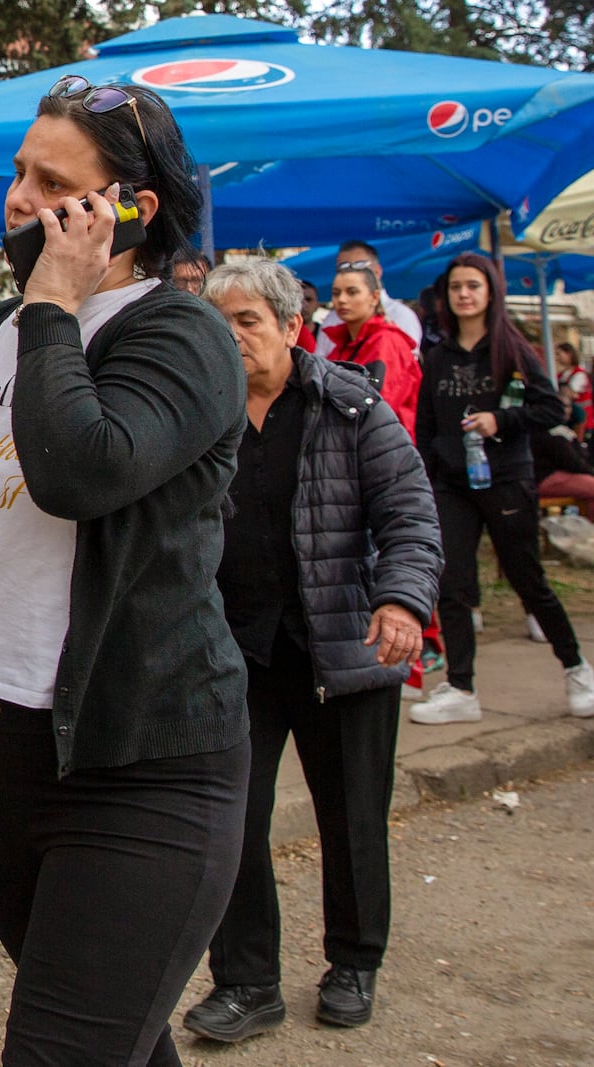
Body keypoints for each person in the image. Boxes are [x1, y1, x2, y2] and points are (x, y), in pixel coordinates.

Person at [0, 77, 250, 1065]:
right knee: (113, 1038)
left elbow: (81, 469)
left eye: (53, 182)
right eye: (17, 173)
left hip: (139, 764)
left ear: (132, 206)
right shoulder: (0, 336)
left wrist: (50, 301)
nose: (18, 199)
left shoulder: (181, 334)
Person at [181, 260, 441, 1044]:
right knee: (233, 821)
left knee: (353, 816)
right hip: (235, 655)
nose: (230, 337)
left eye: (247, 320)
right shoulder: (200, 418)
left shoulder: (353, 408)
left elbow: (412, 517)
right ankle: (246, 982)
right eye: (216, 322)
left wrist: (400, 600)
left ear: (292, 326)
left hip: (342, 648)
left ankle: (354, 962)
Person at [411, 252, 594, 725]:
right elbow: (426, 426)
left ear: (491, 291)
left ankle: (577, 669)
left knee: (527, 579)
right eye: (456, 287)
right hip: (452, 485)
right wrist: (429, 478)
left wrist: (501, 419)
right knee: (451, 585)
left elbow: (551, 410)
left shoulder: (513, 350)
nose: (464, 294)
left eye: (473, 285)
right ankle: (462, 687)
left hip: (507, 481)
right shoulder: (437, 356)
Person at [321, 265, 422, 438]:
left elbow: (379, 405)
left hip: (386, 447)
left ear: (374, 297)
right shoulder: (340, 345)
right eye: (336, 293)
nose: (342, 300)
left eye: (352, 292)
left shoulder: (387, 342)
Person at [317, 240, 422, 355]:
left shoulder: (401, 316)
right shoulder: (332, 320)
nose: (342, 299)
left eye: (359, 267)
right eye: (342, 269)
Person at [298, 279, 321, 353]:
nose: (303, 305)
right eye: (298, 300)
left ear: (317, 305)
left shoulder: (326, 336)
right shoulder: (283, 335)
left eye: (308, 299)